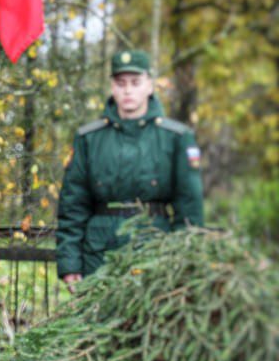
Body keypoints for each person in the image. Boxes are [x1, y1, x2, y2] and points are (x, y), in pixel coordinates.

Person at [56, 49, 204, 291]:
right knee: (94, 325)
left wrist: (187, 261)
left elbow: (189, 204)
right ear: (112, 87)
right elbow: (73, 205)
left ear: (149, 86)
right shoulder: (90, 138)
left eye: (135, 83)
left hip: (155, 245)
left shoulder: (175, 137)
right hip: (99, 251)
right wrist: (70, 264)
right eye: (121, 83)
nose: (127, 90)